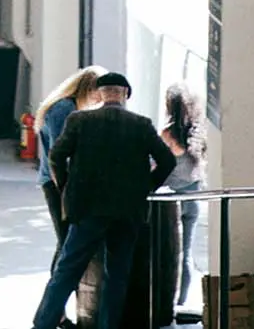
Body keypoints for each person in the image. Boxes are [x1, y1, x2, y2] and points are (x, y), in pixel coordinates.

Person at [33, 72, 175, 329]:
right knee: (117, 274)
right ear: (125, 95)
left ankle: (43, 324)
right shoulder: (141, 124)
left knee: (68, 269)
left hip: (86, 209)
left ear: (99, 93)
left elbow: (56, 155)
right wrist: (145, 187)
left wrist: (66, 186)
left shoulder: (79, 120)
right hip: (127, 211)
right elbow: (168, 161)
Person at [33, 66, 109, 237]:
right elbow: (58, 154)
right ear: (89, 88)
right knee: (66, 239)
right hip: (57, 182)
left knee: (67, 242)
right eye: (99, 95)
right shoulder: (63, 109)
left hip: (61, 181)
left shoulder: (72, 108)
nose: (100, 101)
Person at [161, 82, 210, 306]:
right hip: (192, 196)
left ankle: (168, 300)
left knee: (168, 251)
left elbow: (158, 164)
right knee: (186, 252)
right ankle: (181, 302)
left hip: (170, 200)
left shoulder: (168, 134)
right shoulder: (198, 133)